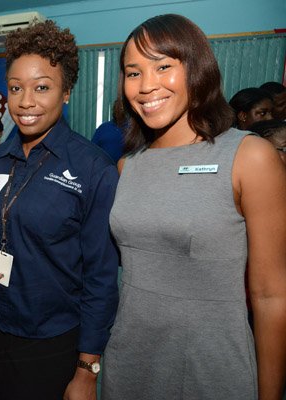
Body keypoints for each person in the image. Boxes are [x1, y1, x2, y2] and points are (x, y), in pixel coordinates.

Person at [101, 14, 286, 400]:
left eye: (163, 66)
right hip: (129, 364)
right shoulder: (127, 165)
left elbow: (271, 296)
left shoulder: (249, 157)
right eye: (133, 73)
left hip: (212, 369)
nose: (146, 84)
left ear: (197, 68)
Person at [0, 20, 119, 400]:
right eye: (16, 88)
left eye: (42, 87)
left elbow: (101, 277)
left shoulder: (93, 168)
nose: (25, 101)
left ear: (66, 92)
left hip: (51, 339)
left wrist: (87, 370)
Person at [91, 99, 127, 163]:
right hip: (105, 169)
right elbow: (92, 149)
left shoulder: (132, 130)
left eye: (121, 109)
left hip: (126, 170)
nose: (118, 111)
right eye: (116, 108)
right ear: (113, 110)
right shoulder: (103, 128)